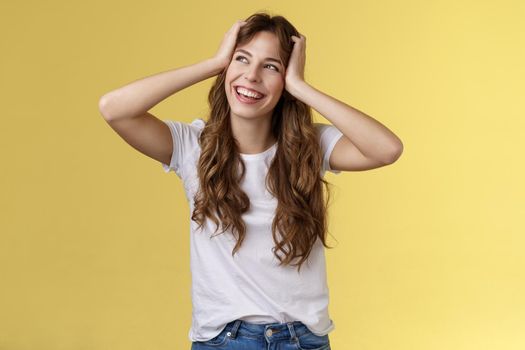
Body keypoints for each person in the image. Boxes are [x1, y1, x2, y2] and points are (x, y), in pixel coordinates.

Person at [99, 11, 403, 350]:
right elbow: (114, 108)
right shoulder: (192, 147)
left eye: (271, 66)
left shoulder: (310, 147)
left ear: (286, 80)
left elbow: (387, 149)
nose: (252, 75)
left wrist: (302, 88)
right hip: (225, 341)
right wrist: (213, 63)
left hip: (303, 341)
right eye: (242, 59)